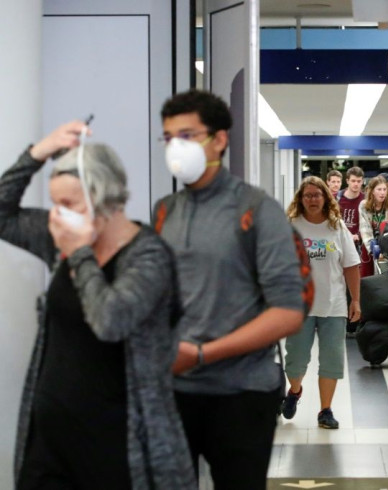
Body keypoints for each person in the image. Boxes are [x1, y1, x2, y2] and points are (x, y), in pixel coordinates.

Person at [1, 122, 196, 489]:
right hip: (50, 443)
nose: (57, 216)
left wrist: (79, 254)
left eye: (68, 204)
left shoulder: (149, 255)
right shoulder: (59, 235)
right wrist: (37, 154)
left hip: (118, 442)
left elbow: (110, 320)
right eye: (55, 204)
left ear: (103, 198)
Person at [153, 89, 306, 489]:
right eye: (168, 138)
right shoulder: (165, 211)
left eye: (186, 135)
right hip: (174, 392)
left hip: (241, 393)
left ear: (219, 140)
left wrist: (203, 353)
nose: (175, 147)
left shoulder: (256, 210)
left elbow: (288, 311)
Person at [281, 177, 361, 429]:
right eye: (307, 195)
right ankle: (294, 391)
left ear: (326, 197)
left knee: (331, 361)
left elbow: (351, 266)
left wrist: (355, 300)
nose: (312, 199)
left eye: (317, 195)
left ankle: (325, 410)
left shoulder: (337, 227)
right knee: (295, 360)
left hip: (333, 305)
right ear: (300, 199)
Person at [337, 166, 372, 277]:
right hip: (339, 244)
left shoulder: (366, 201)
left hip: (359, 246)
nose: (356, 184)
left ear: (362, 181)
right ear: (347, 181)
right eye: (353, 181)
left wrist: (358, 236)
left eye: (359, 181)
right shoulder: (336, 199)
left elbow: (370, 223)